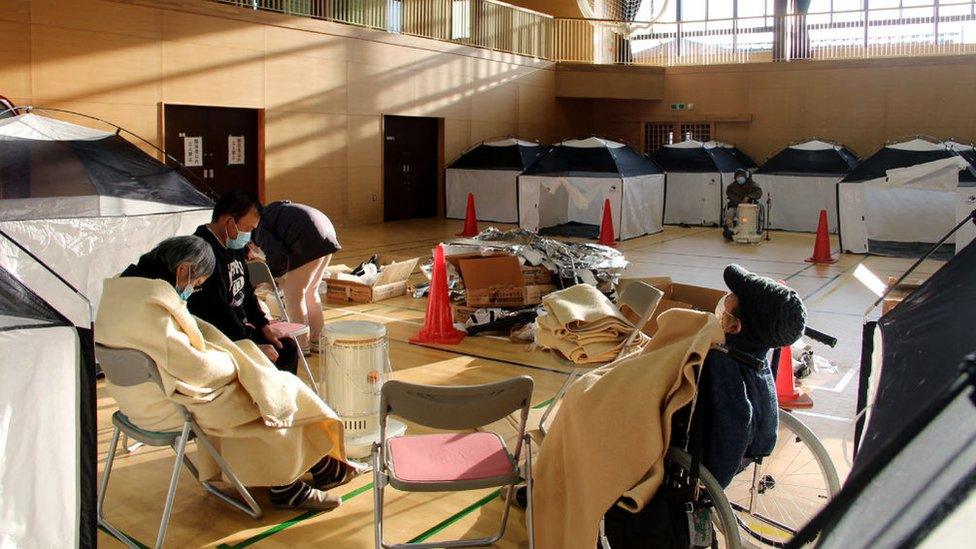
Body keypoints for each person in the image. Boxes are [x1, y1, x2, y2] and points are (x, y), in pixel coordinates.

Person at [96, 236, 362, 511]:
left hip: (134, 398)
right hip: (163, 406)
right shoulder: (153, 306)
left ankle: (322, 465)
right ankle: (287, 485)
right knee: (270, 393)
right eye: (196, 284)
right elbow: (196, 368)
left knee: (265, 382)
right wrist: (238, 363)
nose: (191, 291)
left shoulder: (123, 289)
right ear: (183, 270)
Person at [700, 264, 806, 487]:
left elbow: (735, 423)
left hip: (711, 461)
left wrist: (712, 487)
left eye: (732, 297)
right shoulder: (755, 358)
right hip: (752, 448)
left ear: (735, 326)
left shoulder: (719, 361)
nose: (726, 297)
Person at [188, 189, 299, 375]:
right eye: (247, 230)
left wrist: (264, 327)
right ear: (228, 221)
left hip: (240, 326)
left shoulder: (233, 244)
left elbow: (246, 291)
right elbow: (216, 311)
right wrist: (250, 345)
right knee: (268, 359)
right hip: (218, 334)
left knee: (286, 347)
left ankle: (279, 401)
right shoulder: (202, 251)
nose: (248, 236)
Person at [253, 201, 340, 354]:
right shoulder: (274, 212)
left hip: (309, 238)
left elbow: (276, 254)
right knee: (311, 291)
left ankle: (301, 344)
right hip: (326, 233)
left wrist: (271, 278)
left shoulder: (259, 228)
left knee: (293, 294)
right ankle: (318, 340)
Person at [724, 168, 763, 239]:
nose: (740, 178)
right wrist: (740, 202)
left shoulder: (751, 184)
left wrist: (749, 197)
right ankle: (730, 230)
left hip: (748, 207)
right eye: (738, 177)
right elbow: (730, 195)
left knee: (743, 218)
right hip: (736, 206)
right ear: (735, 178)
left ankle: (738, 231)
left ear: (745, 176)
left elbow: (759, 192)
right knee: (729, 215)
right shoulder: (731, 187)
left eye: (741, 176)